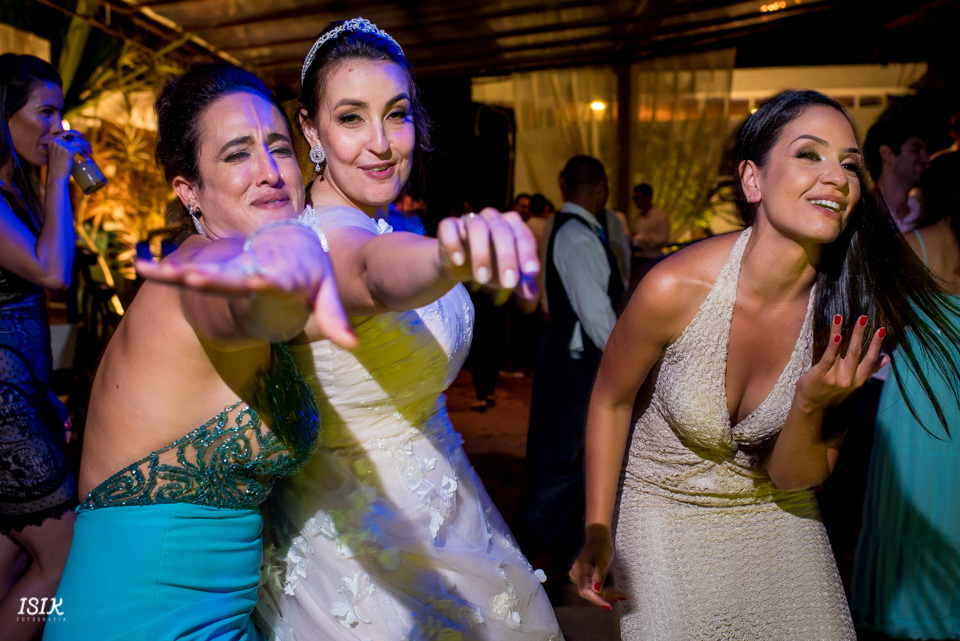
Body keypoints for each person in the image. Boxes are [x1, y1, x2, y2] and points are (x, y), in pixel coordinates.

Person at [569, 90, 960, 639]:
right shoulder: (673, 288)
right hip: (664, 513)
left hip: (779, 515)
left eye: (849, 164)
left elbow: (795, 476)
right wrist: (597, 527)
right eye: (809, 154)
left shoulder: (849, 312)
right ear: (753, 180)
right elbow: (611, 399)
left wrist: (809, 402)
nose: (837, 177)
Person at [254, 19, 562, 641]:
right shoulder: (311, 244)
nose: (381, 143)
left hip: (456, 510)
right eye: (351, 118)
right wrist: (449, 259)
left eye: (396, 115)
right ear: (310, 130)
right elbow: (369, 277)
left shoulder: (390, 227)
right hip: (353, 554)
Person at [44, 63, 357, 640]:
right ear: (190, 191)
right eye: (238, 154)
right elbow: (248, 302)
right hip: (139, 619)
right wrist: (287, 274)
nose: (269, 172)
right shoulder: (200, 272)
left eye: (280, 148)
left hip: (215, 616)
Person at [850, 152, 960, 640]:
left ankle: (906, 618)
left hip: (919, 402)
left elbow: (880, 330)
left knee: (911, 510)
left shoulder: (910, 247)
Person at [0, 54, 84, 641]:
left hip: (21, 395)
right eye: (45, 112)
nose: (58, 127)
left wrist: (47, 397)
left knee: (10, 561)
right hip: (3, 410)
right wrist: (58, 176)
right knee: (62, 558)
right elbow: (51, 271)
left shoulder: (14, 190)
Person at [512, 155, 624, 591]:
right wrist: (628, 365)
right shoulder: (578, 237)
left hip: (563, 356)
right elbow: (597, 316)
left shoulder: (563, 227)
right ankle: (517, 551)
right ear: (601, 190)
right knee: (567, 464)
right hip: (575, 367)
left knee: (571, 461)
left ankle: (567, 562)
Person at [864, 119, 930, 232]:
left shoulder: (925, 213)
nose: (926, 160)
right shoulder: (863, 217)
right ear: (887, 155)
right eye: (916, 150)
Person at [629, 183, 670, 258]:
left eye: (637, 198)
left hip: (653, 258)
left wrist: (640, 237)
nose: (635, 201)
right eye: (634, 198)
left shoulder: (660, 217)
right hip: (637, 258)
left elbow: (663, 240)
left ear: (647, 198)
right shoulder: (637, 218)